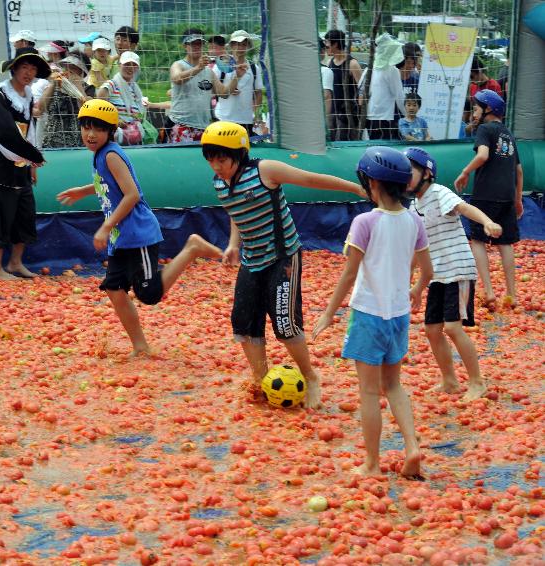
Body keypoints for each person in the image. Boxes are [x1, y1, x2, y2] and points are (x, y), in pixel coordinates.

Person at [200, 121, 365, 409]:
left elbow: (311, 179)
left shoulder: (265, 171)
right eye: (211, 159)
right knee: (243, 322)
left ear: (239, 155)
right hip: (252, 259)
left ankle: (310, 377)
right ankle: (261, 379)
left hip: (283, 257)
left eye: (222, 159)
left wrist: (356, 189)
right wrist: (232, 244)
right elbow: (237, 214)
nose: (216, 166)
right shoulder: (219, 183)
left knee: (285, 323)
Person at [57, 100, 223, 355]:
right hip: (121, 238)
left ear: (110, 131)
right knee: (114, 289)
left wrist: (106, 226)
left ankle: (192, 247)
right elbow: (110, 184)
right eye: (86, 128)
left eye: (98, 129)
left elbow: (131, 194)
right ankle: (140, 346)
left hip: (137, 235)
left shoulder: (111, 154)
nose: (91, 134)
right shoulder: (100, 155)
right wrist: (84, 190)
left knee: (149, 294)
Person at [312, 146, 432, 480]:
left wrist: (328, 313)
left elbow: (349, 274)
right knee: (393, 386)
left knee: (367, 392)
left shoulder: (365, 222)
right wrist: (416, 291)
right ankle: (411, 447)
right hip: (398, 315)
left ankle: (372, 463)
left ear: (372, 185)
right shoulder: (413, 220)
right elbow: (428, 269)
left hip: (367, 314)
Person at [404, 147, 498, 401]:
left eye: (409, 170)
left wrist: (487, 222)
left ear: (426, 172)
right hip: (437, 275)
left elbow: (465, 209)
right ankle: (449, 380)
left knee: (453, 327)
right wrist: (413, 284)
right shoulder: (413, 207)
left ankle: (477, 382)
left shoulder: (439, 192)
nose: (404, 176)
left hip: (457, 270)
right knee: (432, 330)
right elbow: (418, 249)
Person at [0, 47, 49, 280]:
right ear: (14, 69)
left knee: (25, 213)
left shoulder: (28, 97)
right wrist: (32, 156)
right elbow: (4, 133)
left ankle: (16, 263)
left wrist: (30, 164)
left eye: (33, 68)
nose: (29, 72)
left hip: (21, 165)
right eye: (25, 67)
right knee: (2, 215)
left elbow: (29, 132)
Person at [454, 89, 523, 309]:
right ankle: (511, 295)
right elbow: (519, 170)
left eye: (476, 108)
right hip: (506, 196)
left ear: (488, 109)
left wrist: (465, 172)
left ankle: (490, 292)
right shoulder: (508, 134)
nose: (473, 112)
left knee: (478, 240)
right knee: (505, 244)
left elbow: (482, 155)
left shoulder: (485, 129)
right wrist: (518, 199)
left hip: (485, 195)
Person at [168, 29, 242, 142]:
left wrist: (237, 76)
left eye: (200, 43)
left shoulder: (209, 71)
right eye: (193, 43)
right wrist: (198, 68)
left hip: (204, 127)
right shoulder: (178, 65)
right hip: (181, 125)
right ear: (185, 46)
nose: (197, 46)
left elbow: (224, 93)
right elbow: (177, 79)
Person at [214, 30, 264, 136]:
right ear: (231, 46)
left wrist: (256, 114)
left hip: (246, 120)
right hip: (223, 118)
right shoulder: (220, 65)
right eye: (236, 44)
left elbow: (258, 92)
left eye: (243, 45)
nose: (240, 48)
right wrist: (229, 89)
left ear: (248, 46)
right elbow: (214, 90)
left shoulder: (254, 68)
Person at [41, 51, 93, 148]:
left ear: (82, 73)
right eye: (66, 67)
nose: (68, 70)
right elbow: (40, 108)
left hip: (78, 145)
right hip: (51, 143)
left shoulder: (89, 90)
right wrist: (53, 84)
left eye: (74, 68)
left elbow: (89, 114)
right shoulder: (55, 87)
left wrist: (78, 86)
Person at [364, 34, 406, 140]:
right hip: (384, 118)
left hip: (369, 117)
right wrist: (408, 115)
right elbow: (399, 96)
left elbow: (361, 90)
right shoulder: (392, 71)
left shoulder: (369, 69)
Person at [325, 29, 362, 141]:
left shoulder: (352, 64)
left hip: (348, 114)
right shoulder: (329, 63)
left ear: (335, 44)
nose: (325, 48)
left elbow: (362, 90)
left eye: (327, 45)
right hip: (332, 111)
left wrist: (360, 113)